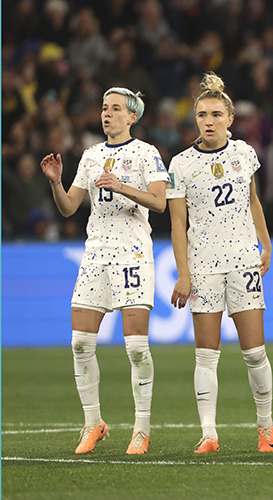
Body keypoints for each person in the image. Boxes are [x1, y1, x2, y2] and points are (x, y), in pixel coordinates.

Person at [40, 87, 169, 455]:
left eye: (115, 109)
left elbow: (159, 203)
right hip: (95, 254)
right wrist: (55, 182)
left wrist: (122, 186)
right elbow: (68, 208)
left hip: (133, 254)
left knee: (136, 348)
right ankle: (93, 423)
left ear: (132, 117)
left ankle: (141, 429)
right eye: (104, 108)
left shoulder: (146, 153)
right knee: (80, 343)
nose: (106, 114)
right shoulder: (91, 155)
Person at [168, 73, 273, 454]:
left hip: (243, 260)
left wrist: (265, 242)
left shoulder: (245, 153)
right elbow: (177, 223)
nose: (208, 121)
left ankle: (266, 427)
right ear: (195, 118)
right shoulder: (180, 164)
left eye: (216, 114)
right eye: (202, 114)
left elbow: (253, 201)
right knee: (205, 353)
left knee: (253, 352)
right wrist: (183, 273)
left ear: (230, 119)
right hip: (202, 266)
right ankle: (209, 434)